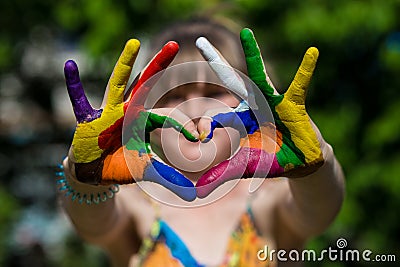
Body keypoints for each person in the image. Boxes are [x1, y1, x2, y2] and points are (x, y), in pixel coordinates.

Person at [57, 18, 345, 267]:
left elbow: (320, 209)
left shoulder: (268, 194)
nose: (193, 108)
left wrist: (317, 163)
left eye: (214, 91)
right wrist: (82, 175)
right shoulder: (135, 199)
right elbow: (93, 224)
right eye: (173, 95)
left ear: (251, 101)